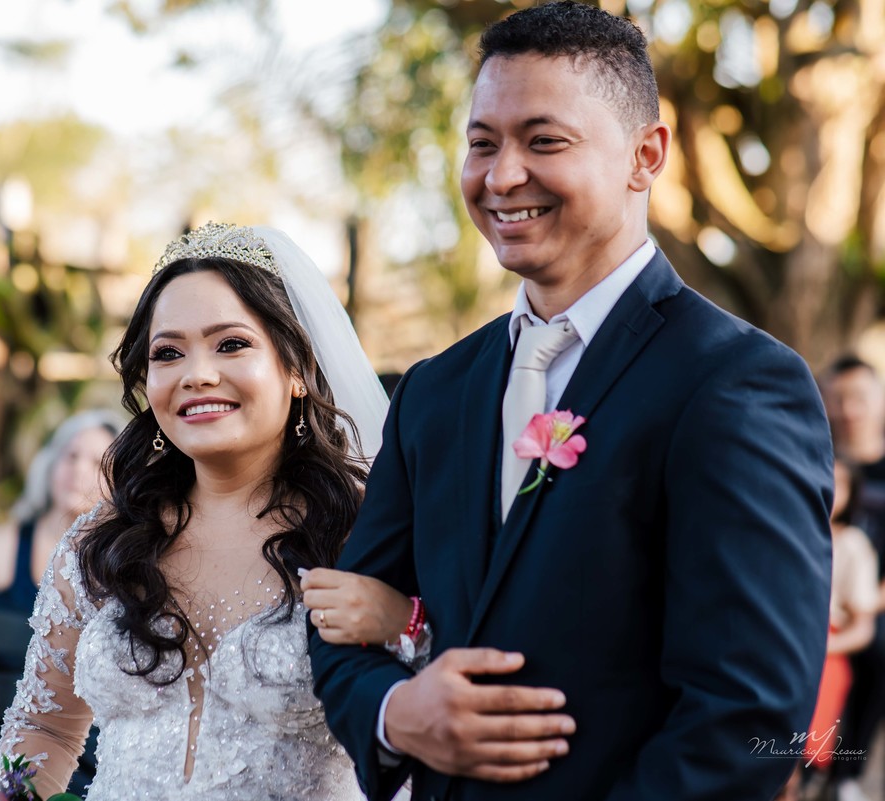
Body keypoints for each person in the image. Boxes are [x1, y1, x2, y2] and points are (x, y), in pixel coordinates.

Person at [308, 4, 834, 801]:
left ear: (645, 156)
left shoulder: (736, 383)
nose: (501, 176)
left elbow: (750, 717)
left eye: (544, 141)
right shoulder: (435, 390)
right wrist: (394, 712)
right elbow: (342, 625)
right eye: (482, 143)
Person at [0, 222, 414, 799]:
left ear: (297, 369)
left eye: (231, 344)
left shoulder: (362, 532)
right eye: (168, 353)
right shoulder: (103, 542)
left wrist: (403, 622)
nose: (197, 375)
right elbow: (45, 728)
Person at [0, 409, 124, 617]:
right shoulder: (6, 545)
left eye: (97, 463)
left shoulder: (125, 561)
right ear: (51, 464)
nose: (79, 469)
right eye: (71, 456)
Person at [821, 356, 885, 801]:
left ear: (879, 399)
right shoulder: (815, 452)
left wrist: (869, 600)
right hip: (818, 591)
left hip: (871, 599)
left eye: (858, 398)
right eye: (838, 399)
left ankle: (847, 770)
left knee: (879, 650)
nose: (849, 410)